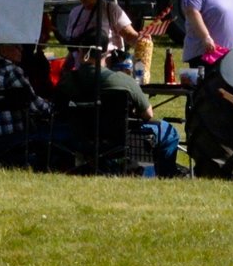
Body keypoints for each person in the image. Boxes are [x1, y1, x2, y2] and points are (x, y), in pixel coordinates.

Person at [52, 52, 181, 176]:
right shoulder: (123, 81)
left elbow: (57, 107)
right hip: (117, 139)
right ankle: (166, 176)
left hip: (78, 137)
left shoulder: (67, 81)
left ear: (80, 52)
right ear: (106, 54)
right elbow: (147, 114)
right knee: (170, 133)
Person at [0, 43, 54, 167]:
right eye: (17, 46)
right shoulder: (12, 70)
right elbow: (35, 106)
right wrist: (53, 107)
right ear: (4, 49)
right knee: (57, 131)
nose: (22, 49)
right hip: (14, 135)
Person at [59, 0, 139, 69]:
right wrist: (65, 71)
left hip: (108, 71)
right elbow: (74, 50)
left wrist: (142, 40)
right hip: (82, 72)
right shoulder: (74, 12)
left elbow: (130, 36)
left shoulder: (110, 9)